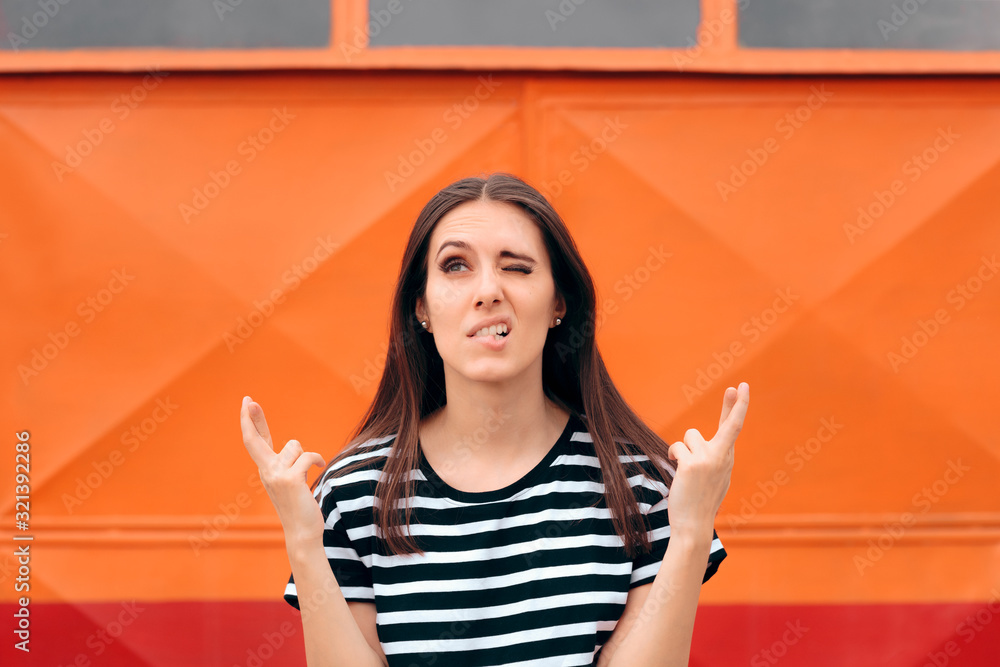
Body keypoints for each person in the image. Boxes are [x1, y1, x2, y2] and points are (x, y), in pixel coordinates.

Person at [240, 172, 750, 667]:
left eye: (518, 267)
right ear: (421, 306)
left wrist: (689, 534)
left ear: (558, 304)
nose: (488, 290)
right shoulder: (352, 494)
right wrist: (305, 544)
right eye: (456, 266)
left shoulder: (641, 485)